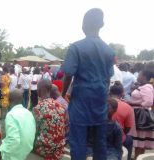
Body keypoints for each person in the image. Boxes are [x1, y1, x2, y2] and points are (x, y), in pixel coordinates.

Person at [61, 8, 115, 160]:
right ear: (102, 24)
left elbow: (68, 75)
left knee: (78, 142)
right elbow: (107, 78)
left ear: (83, 26)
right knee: (100, 142)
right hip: (100, 101)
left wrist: (63, 93)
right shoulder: (109, 51)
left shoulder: (76, 47)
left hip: (81, 101)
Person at [33, 79, 66, 159]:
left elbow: (34, 131)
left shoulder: (38, 108)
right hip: (59, 149)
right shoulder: (60, 106)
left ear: (39, 90)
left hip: (45, 150)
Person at [0, 89, 36, 160]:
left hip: (14, 154)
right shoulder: (28, 113)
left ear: (9, 100)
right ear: (22, 100)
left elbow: (14, 139)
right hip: (26, 149)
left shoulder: (11, 115)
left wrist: (3, 153)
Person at [127, 70, 154, 159]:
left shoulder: (147, 87)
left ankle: (137, 157)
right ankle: (137, 157)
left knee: (140, 139)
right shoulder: (143, 86)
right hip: (138, 114)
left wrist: (132, 103)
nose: (138, 76)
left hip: (140, 115)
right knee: (139, 141)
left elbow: (148, 102)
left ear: (144, 76)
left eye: (139, 75)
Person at [110, 81, 134, 160]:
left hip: (97, 137)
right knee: (129, 139)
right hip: (117, 139)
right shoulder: (127, 107)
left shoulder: (99, 103)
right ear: (122, 94)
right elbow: (127, 129)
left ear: (109, 92)